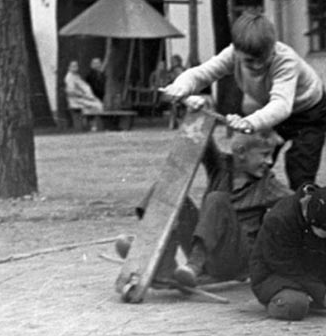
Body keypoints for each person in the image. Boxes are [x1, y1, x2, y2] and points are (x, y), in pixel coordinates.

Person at [161, 11, 326, 190]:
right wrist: (181, 86)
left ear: (272, 48)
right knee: (252, 163)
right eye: (250, 61)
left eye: (263, 59)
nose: (257, 66)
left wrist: (250, 122)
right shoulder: (232, 55)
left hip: (310, 113)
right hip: (273, 111)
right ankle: (249, 210)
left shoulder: (286, 60)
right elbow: (202, 73)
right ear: (236, 50)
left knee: (300, 169)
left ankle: (306, 210)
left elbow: (281, 105)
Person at [120, 111, 293, 288]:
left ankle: (195, 264)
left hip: (236, 259)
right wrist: (197, 108)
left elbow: (298, 204)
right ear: (241, 152)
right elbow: (202, 140)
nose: (270, 161)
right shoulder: (220, 166)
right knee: (165, 190)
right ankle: (157, 258)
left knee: (217, 200)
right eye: (264, 154)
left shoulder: (267, 184)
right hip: (209, 249)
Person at [250, 184, 326, 321]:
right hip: (279, 274)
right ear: (312, 221)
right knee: (295, 305)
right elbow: (287, 267)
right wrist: (321, 292)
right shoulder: (279, 220)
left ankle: (319, 292)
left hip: (310, 267)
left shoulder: (323, 211)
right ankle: (283, 300)